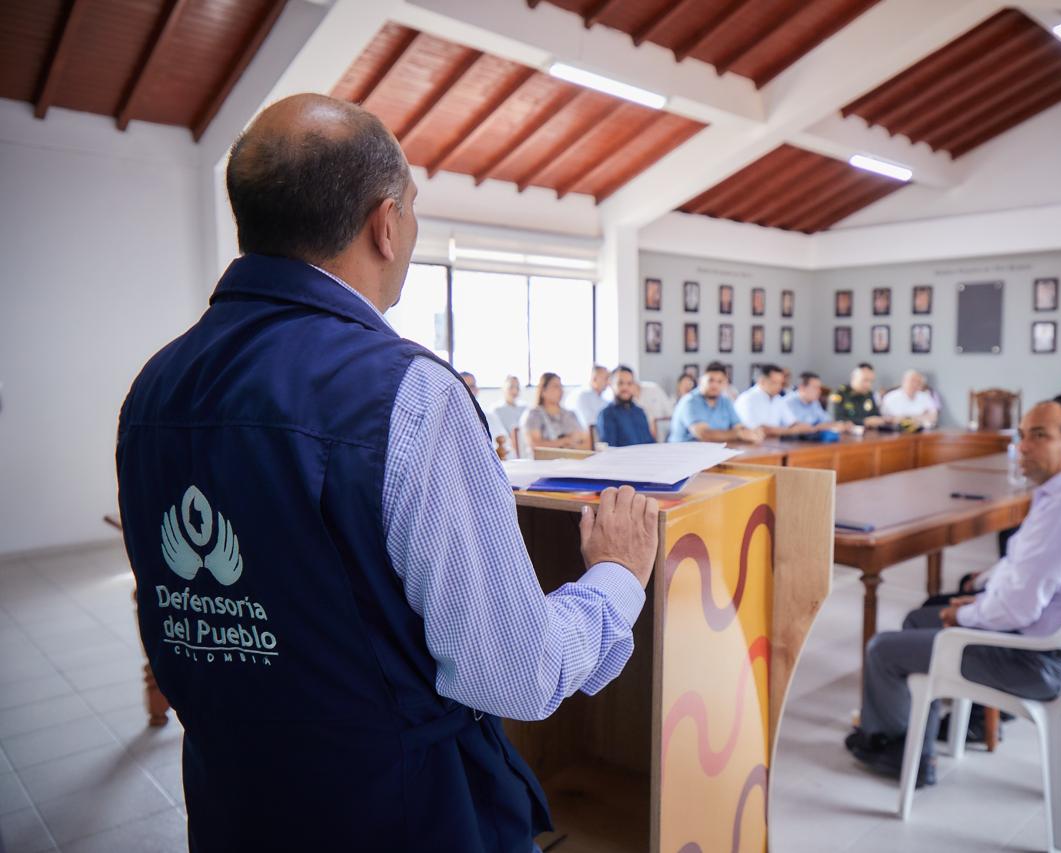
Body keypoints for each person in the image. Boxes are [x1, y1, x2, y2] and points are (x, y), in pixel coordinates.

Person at [114, 94, 659, 852]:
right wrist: (617, 578)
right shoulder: (407, 394)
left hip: (234, 800)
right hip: (396, 811)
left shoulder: (157, 383)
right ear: (385, 221)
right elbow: (517, 671)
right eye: (413, 208)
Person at [846, 402, 1061, 786]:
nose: (1024, 446)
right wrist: (980, 596)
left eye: (1040, 436)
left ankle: (897, 753)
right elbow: (1025, 574)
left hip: (1036, 661)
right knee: (920, 618)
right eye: (1023, 435)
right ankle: (918, 741)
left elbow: (1017, 609)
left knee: (884, 649)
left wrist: (962, 616)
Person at [668, 363, 764, 444]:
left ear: (725, 383)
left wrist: (752, 433)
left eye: (720, 381)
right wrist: (738, 434)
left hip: (715, 453)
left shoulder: (725, 401)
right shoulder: (690, 402)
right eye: (711, 380)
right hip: (683, 456)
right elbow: (704, 435)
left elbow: (739, 427)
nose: (715, 385)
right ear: (701, 381)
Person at [733, 364, 821, 437]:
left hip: (774, 446)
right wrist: (791, 431)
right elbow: (759, 430)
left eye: (781, 383)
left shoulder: (778, 399)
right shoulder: (747, 399)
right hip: (750, 447)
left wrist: (810, 428)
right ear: (762, 381)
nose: (779, 387)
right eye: (774, 383)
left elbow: (792, 423)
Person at [522, 372, 591, 451]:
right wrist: (565, 441)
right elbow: (535, 445)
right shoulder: (534, 414)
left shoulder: (570, 414)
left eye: (561, 386)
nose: (561, 390)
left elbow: (586, 442)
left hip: (572, 461)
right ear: (543, 391)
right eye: (555, 386)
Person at [596, 366, 654, 447]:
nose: (625, 387)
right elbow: (609, 449)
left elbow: (650, 443)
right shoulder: (607, 414)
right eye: (620, 383)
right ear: (611, 385)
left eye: (629, 383)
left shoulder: (640, 412)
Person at [459, 371, 510, 454]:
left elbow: (506, 445)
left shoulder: (490, 417)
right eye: (465, 387)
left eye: (472, 386)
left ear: (477, 390)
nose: (469, 390)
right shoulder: (450, 420)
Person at [570, 365, 610, 430]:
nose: (609, 382)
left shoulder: (604, 400)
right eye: (606, 378)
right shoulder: (583, 396)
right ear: (594, 379)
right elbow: (590, 422)